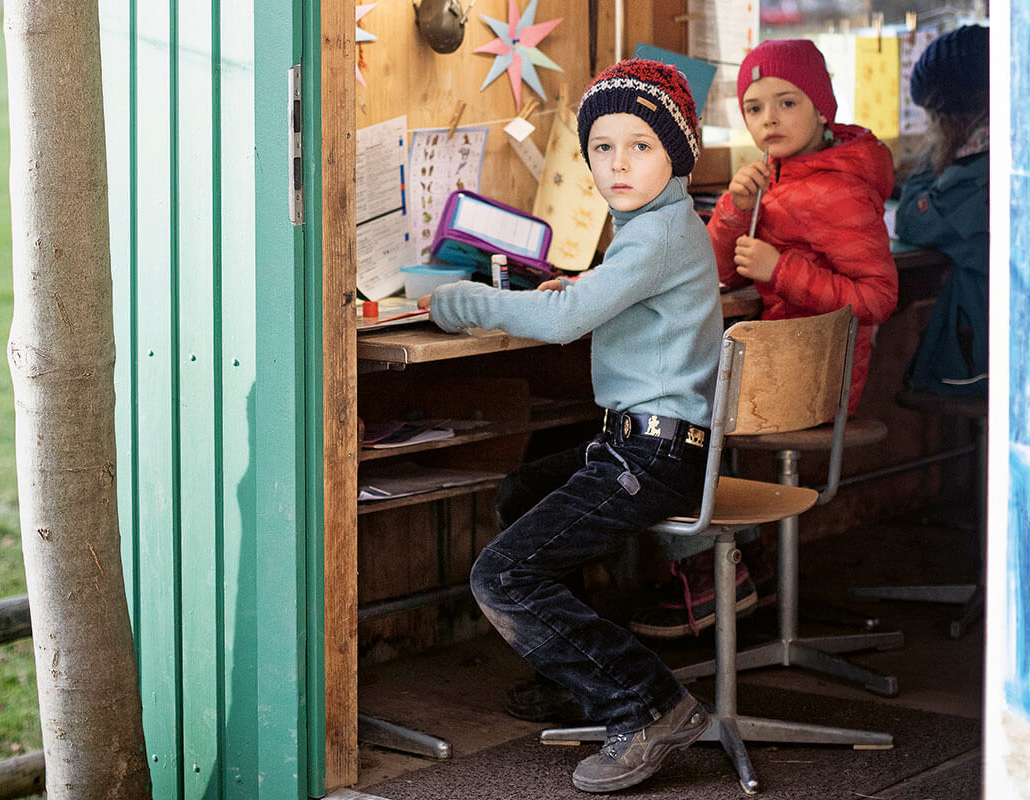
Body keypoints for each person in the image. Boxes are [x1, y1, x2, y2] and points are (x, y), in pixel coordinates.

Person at [417, 59, 719, 793]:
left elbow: (562, 324)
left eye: (641, 146)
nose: (618, 164)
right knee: (522, 492)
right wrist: (583, 287)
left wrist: (462, 301)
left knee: (504, 574)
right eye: (602, 147)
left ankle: (647, 704)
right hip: (642, 444)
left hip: (653, 455)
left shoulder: (655, 234)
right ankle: (579, 677)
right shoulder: (658, 227)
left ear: (678, 155)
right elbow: (610, 301)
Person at [629, 38, 900, 639]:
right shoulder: (782, 179)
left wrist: (781, 269)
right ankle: (745, 566)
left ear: (822, 108)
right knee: (676, 401)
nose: (769, 119)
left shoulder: (839, 188)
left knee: (656, 416)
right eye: (754, 108)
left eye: (787, 102)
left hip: (811, 389)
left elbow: (879, 298)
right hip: (779, 378)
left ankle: (706, 573)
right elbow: (715, 273)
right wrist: (735, 206)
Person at [897, 25, 989, 397]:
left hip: (982, 363)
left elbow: (910, 218)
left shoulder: (974, 178)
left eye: (932, 119)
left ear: (951, 121)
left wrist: (937, 153)